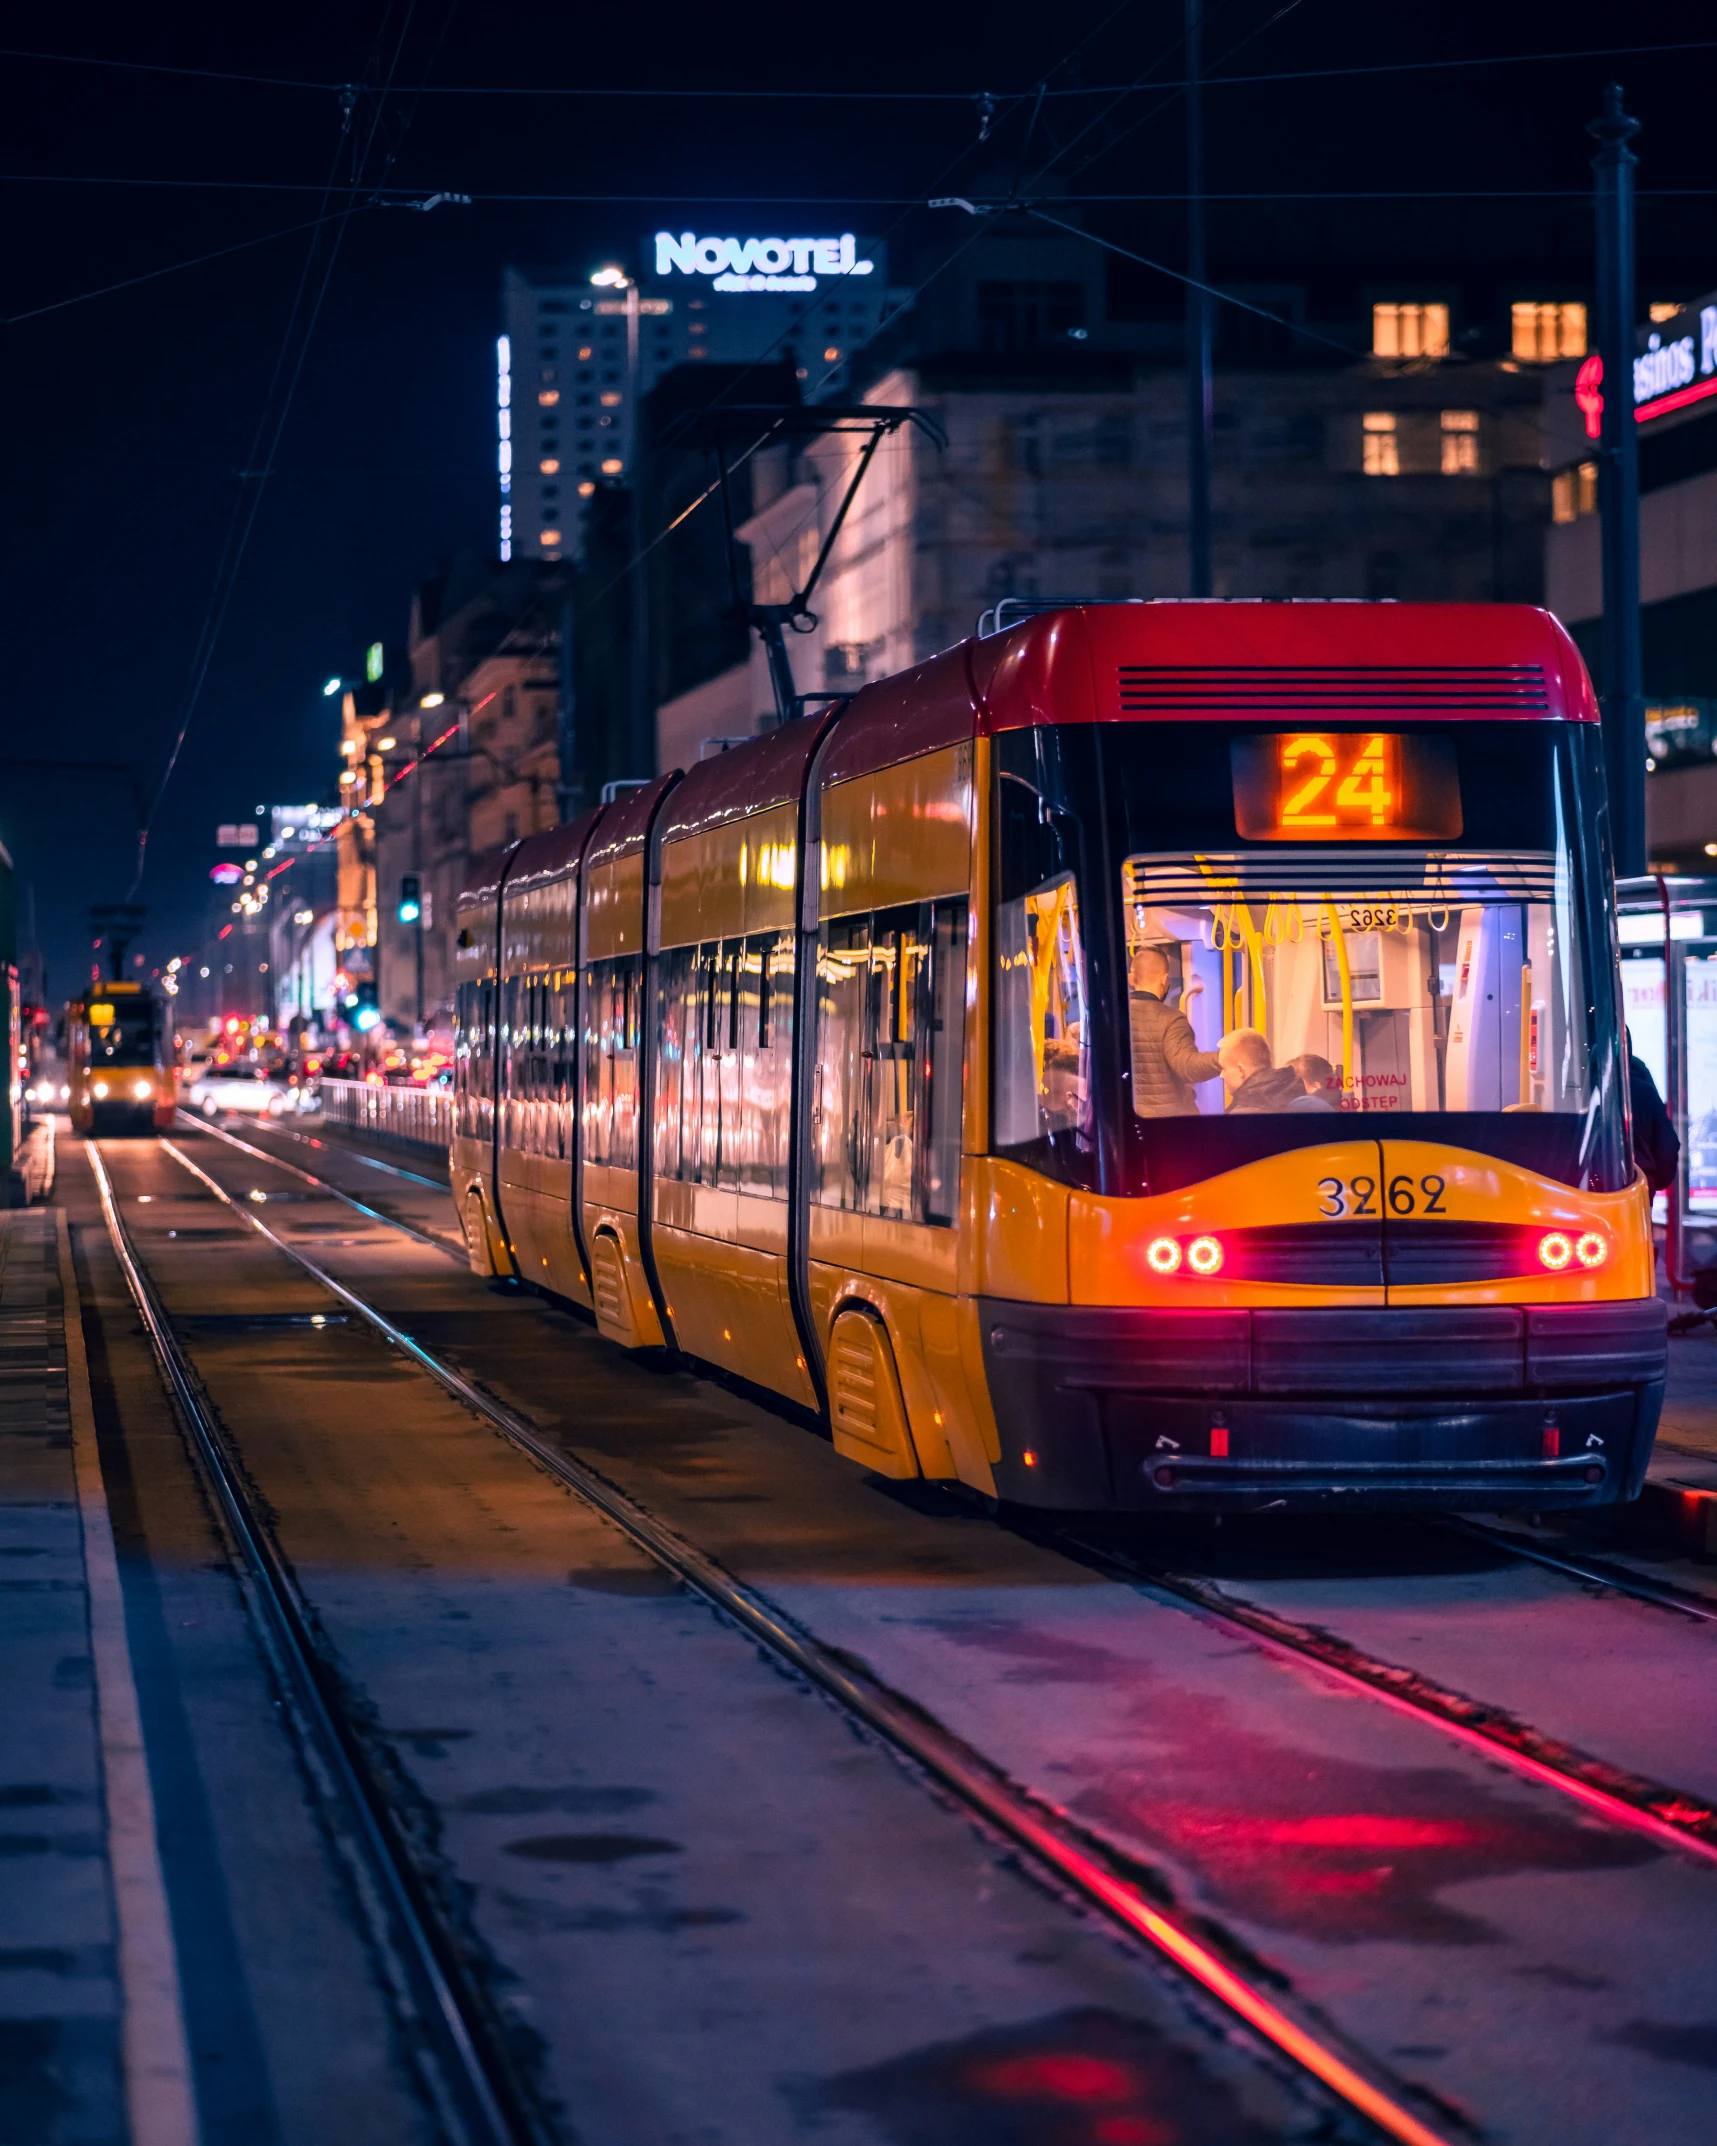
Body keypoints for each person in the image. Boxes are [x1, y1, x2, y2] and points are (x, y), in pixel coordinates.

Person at [1126, 945, 1221, 1115]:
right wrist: (1223, 1058)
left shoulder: (1114, 1019)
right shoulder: (1171, 1020)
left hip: (1127, 1121)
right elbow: (1187, 1067)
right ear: (1164, 979)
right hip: (1166, 1124)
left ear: (1131, 979)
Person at [1626, 1028, 1680, 1194]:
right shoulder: (1646, 1092)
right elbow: (1667, 1147)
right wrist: (1656, 1181)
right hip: (1641, 1187)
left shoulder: (1579, 1093)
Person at [1218, 1028, 1303, 1113]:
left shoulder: (1241, 1115)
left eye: (1224, 1068)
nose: (1221, 1075)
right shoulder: (1301, 1096)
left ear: (1241, 1070)